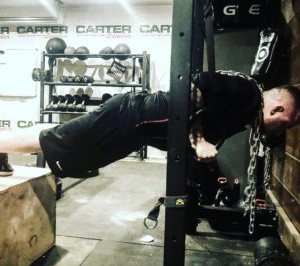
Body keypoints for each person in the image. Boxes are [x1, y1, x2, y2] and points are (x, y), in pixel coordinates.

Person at [0, 70, 299, 178]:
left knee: (69, 152)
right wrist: (200, 140)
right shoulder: (248, 93)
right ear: (279, 108)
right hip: (131, 115)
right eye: (289, 123)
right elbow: (196, 87)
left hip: (134, 131)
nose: (284, 130)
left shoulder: (247, 107)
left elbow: (204, 108)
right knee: (57, 141)